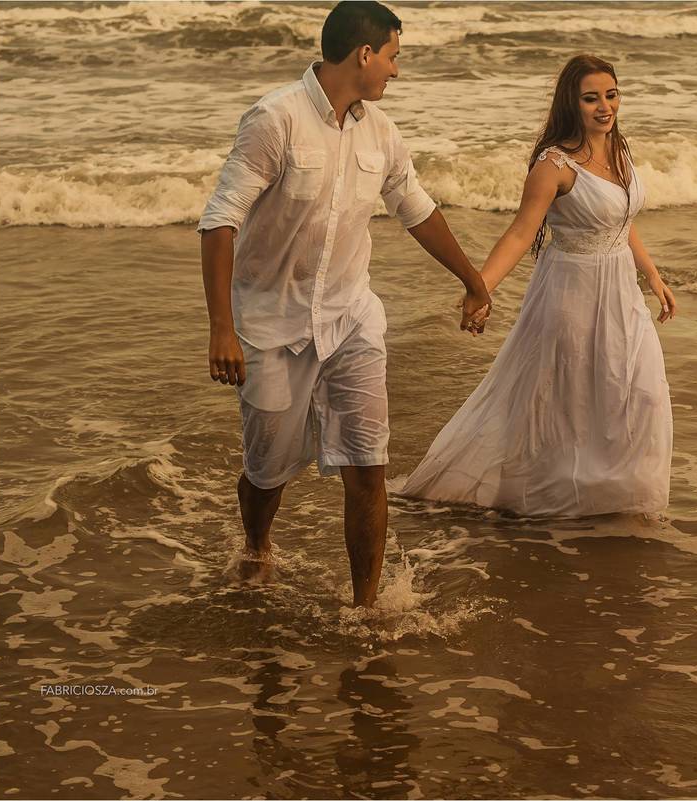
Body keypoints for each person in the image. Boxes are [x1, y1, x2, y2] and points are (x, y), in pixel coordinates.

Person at [197, 2, 490, 608]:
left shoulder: (381, 132)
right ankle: (257, 543)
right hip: (271, 323)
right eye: (393, 57)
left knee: (367, 465)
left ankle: (366, 608)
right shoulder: (274, 119)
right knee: (267, 470)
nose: (396, 71)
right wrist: (221, 327)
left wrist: (473, 280)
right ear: (364, 54)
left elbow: (417, 209)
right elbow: (220, 221)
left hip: (351, 317)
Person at [401, 54, 676, 518]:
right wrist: (480, 288)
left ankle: (613, 497)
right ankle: (551, 499)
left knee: (638, 392)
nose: (605, 107)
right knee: (566, 399)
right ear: (571, 102)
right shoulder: (554, 165)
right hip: (572, 292)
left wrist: (652, 276)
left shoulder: (618, 148)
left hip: (621, 293)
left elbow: (622, 221)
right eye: (591, 99)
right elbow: (519, 234)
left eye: (611, 95)